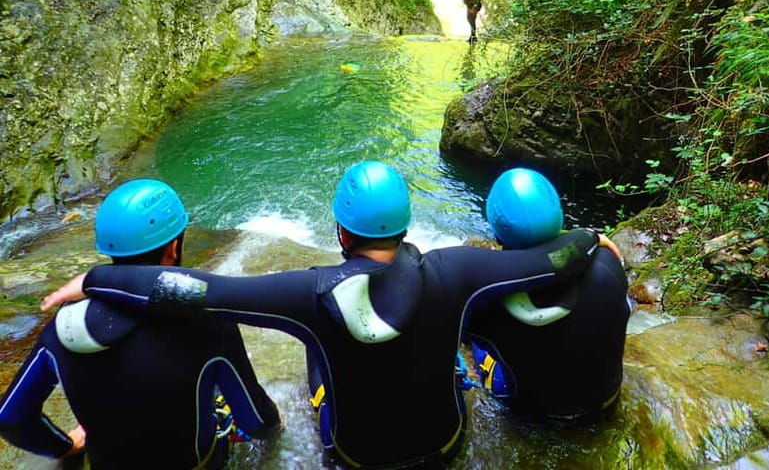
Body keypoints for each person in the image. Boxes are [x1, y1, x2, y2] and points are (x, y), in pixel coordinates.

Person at [40, 161, 606, 469]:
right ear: (407, 226)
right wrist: (592, 235)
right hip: (446, 442)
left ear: (339, 230)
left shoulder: (306, 294)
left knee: (317, 347)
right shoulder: (458, 270)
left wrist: (97, 278)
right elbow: (550, 259)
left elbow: (201, 291)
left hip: (357, 456)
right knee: (456, 334)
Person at [0, 179, 280, 469]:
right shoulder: (207, 321)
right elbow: (258, 422)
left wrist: (65, 446)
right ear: (173, 247)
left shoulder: (65, 327)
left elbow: (10, 417)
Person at [464, 168, 632, 423]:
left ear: (498, 230)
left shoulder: (490, 298)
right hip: (606, 399)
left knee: (474, 342)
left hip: (535, 411)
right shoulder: (608, 260)